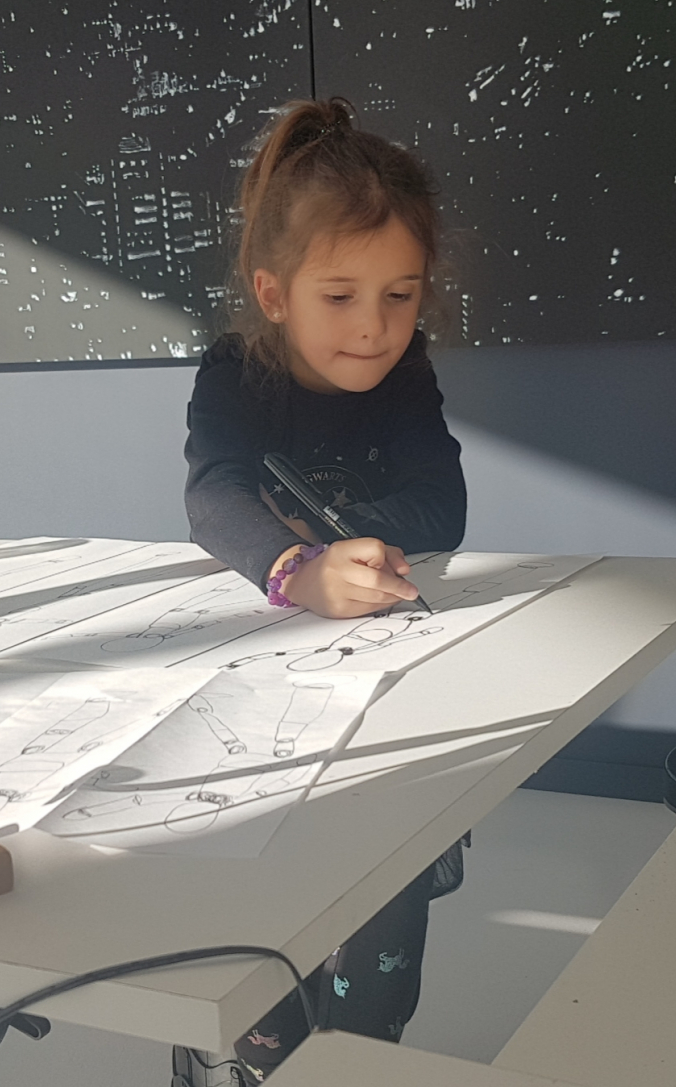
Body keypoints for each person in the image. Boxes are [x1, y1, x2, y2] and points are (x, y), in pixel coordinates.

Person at [175, 97, 467, 1085]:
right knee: (252, 919)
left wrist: (346, 539)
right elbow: (213, 496)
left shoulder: (406, 373)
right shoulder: (234, 373)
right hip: (259, 688)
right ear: (273, 291)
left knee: (381, 905)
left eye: (401, 295)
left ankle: (354, 1058)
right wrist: (296, 570)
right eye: (340, 295)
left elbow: (443, 504)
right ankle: (246, 1056)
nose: (375, 327)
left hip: (383, 691)